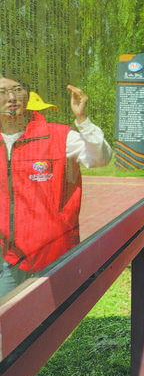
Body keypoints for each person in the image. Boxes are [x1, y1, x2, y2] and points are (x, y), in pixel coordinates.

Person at [0, 75, 111, 298]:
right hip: (6, 255)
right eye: (2, 92)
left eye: (17, 89)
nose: (11, 97)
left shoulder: (59, 136)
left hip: (51, 252)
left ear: (27, 95)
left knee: (48, 323)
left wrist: (83, 121)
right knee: (6, 324)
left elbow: (100, 158)